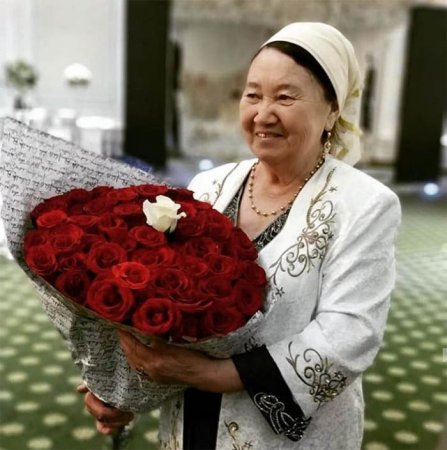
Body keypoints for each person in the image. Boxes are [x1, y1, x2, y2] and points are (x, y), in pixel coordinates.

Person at [79, 22, 401, 449]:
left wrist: (210, 374)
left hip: (283, 436)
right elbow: (162, 304)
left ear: (332, 110)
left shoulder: (364, 204)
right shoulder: (208, 186)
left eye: (285, 97)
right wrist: (120, 385)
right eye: (252, 95)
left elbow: (349, 336)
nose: (263, 114)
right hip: (188, 423)